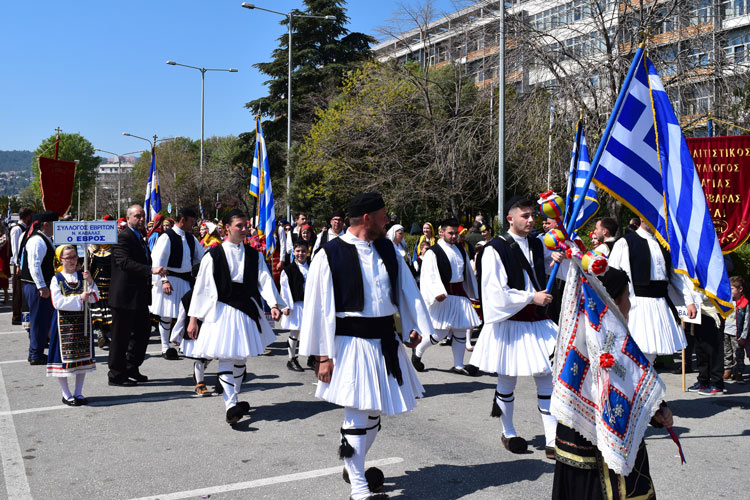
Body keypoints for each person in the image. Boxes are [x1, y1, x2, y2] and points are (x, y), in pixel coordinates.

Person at [299, 192, 433, 500]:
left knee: (373, 415)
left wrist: (409, 329)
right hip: (350, 344)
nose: (388, 221)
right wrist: (322, 356)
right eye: (384, 216)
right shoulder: (329, 254)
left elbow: (404, 291)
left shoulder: (387, 248)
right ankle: (359, 489)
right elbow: (319, 308)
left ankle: (353, 465)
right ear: (367, 218)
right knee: (359, 414)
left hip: (385, 342)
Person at [551, 267, 673, 499]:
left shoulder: (583, 339)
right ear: (613, 302)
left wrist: (658, 411)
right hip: (586, 454)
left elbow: (632, 384)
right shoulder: (602, 342)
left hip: (583, 447)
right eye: (627, 296)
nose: (630, 304)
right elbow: (629, 381)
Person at [469, 197, 565, 457]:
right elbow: (494, 292)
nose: (531, 220)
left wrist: (558, 257)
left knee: (547, 377)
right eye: (525, 216)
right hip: (510, 321)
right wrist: (531, 297)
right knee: (507, 379)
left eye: (533, 215)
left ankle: (552, 439)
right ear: (510, 219)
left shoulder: (537, 243)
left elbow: (550, 269)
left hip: (537, 320)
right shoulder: (494, 248)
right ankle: (508, 432)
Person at [187, 209, 285, 425]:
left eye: (245, 225)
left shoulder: (254, 255)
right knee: (226, 357)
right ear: (226, 228)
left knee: (240, 358)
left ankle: (235, 398)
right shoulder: (212, 255)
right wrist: (193, 318)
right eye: (239, 225)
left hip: (247, 310)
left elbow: (264, 280)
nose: (244, 229)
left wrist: (273, 303)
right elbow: (202, 287)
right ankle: (230, 404)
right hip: (222, 310)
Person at [607, 218, 698, 363]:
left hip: (660, 303)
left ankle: (647, 376)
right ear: (642, 217)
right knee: (635, 351)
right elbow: (612, 273)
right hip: (635, 304)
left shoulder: (665, 244)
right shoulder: (625, 242)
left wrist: (689, 301)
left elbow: (676, 276)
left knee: (651, 354)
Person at [412, 217, 480, 375]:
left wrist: (473, 291)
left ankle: (458, 365)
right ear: (442, 233)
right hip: (443, 295)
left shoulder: (461, 249)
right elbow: (429, 275)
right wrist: (436, 292)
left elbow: (467, 272)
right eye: (451, 233)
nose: (454, 236)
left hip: (460, 294)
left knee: (461, 329)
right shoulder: (433, 252)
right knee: (439, 333)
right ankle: (418, 351)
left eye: (456, 233)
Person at [108, 205, 166, 386]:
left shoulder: (140, 237)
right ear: (128, 218)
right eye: (137, 216)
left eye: (143, 216)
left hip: (139, 296)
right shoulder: (123, 237)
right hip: (124, 297)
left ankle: (131, 366)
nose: (141, 219)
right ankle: (116, 374)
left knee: (142, 333)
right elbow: (124, 262)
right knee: (120, 337)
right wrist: (150, 270)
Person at [46, 245, 98, 406]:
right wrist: (79, 298)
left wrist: (90, 281)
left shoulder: (83, 276)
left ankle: (78, 392)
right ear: (60, 259)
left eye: (74, 256)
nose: (72, 260)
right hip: (64, 324)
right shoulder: (57, 279)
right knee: (63, 361)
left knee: (82, 358)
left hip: (82, 323)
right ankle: (66, 393)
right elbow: (57, 303)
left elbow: (94, 298)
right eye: (68, 257)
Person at [150, 208, 204, 360]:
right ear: (182, 220)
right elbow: (157, 260)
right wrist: (163, 281)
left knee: (186, 314)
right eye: (191, 221)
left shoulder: (191, 238)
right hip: (170, 279)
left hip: (186, 281)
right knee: (166, 315)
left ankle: (183, 345)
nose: (193, 225)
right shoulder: (167, 237)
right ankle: (165, 347)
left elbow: (200, 258)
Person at [20, 211, 59, 365]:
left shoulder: (44, 239)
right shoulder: (37, 240)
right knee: (38, 320)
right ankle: (35, 354)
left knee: (43, 320)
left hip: (40, 285)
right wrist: (42, 286)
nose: (57, 227)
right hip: (36, 287)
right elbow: (34, 265)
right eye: (55, 224)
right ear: (46, 224)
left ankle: (36, 351)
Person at [280, 241, 309, 372]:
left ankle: (312, 357)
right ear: (293, 252)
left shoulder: (312, 266)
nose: (300, 254)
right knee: (295, 332)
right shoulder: (288, 270)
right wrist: (285, 306)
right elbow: (284, 289)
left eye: (303, 251)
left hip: (310, 304)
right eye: (297, 251)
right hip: (296, 304)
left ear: (307, 252)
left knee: (312, 331)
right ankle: (291, 359)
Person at [88, 239, 114, 348]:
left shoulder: (114, 249)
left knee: (109, 312)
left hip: (111, 286)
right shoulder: (91, 250)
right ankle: (100, 334)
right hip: (96, 286)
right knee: (97, 311)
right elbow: (89, 268)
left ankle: (112, 336)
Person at [10, 207, 33, 324]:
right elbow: (15, 249)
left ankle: (21, 314)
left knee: (22, 290)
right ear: (27, 217)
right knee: (18, 291)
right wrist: (18, 264)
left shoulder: (25, 228)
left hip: (23, 263)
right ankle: (16, 316)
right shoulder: (17, 229)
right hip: (19, 264)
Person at [723, 276, 747, 382]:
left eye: (732, 288)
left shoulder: (744, 303)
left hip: (737, 333)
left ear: (740, 289)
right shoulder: (726, 301)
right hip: (725, 331)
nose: (729, 290)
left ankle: (738, 372)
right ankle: (727, 370)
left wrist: (743, 335)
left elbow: (747, 321)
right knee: (726, 352)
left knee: (738, 353)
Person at [0, 219, 9, 304]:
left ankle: (6, 296)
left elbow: (3, 243)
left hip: (2, 260)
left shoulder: (4, 235)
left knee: (3, 279)